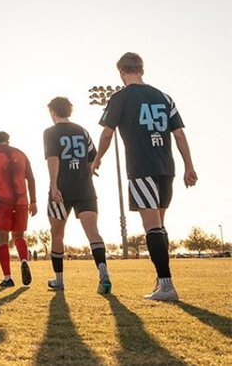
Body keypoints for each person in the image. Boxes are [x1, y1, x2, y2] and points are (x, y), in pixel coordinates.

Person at [92, 53, 197, 301]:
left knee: (151, 226)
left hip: (141, 167)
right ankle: (162, 280)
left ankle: (167, 285)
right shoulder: (164, 96)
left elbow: (107, 134)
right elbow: (179, 135)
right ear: (142, 69)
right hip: (166, 168)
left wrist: (97, 159)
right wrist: (189, 166)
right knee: (160, 225)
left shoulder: (119, 97)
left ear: (121, 72)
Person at [43, 97, 111, 293]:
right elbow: (93, 159)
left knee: (57, 234)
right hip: (85, 188)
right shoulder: (82, 130)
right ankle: (103, 272)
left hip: (62, 189)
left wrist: (54, 185)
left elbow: (53, 159)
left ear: (53, 112)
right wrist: (89, 170)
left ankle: (59, 279)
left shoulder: (50, 132)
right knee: (93, 231)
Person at [0, 131, 37, 287]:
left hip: (2, 201)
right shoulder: (21, 153)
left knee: (2, 239)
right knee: (19, 235)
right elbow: (31, 179)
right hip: (21, 201)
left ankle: (7, 277)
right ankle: (24, 260)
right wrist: (33, 201)